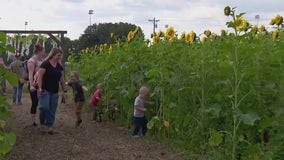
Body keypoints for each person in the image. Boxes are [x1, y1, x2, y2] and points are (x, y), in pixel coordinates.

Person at [37, 47, 67, 134]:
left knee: (52, 109)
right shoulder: (45, 64)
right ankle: (42, 122)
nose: (60, 57)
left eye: (61, 56)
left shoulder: (59, 66)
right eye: (58, 55)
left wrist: (65, 90)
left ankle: (50, 126)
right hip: (45, 90)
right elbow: (40, 77)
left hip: (54, 91)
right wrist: (40, 88)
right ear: (53, 55)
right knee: (44, 108)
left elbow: (62, 79)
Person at [28, 43, 46, 126]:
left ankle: (43, 120)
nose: (44, 53)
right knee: (35, 102)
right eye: (43, 52)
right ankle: (33, 121)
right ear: (39, 51)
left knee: (43, 102)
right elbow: (30, 74)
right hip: (34, 85)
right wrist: (31, 85)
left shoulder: (42, 60)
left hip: (42, 84)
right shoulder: (32, 61)